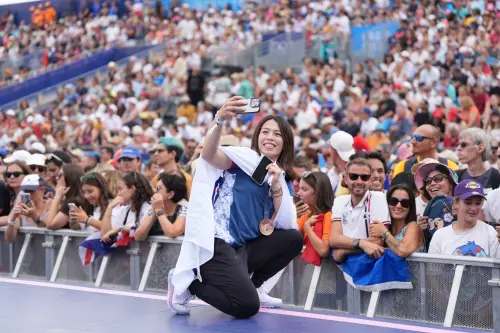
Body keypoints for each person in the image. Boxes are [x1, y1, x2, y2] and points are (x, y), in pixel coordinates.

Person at [169, 96, 302, 318]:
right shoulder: (242, 160)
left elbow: (279, 221)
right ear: (257, 136)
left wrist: (277, 184)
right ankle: (188, 283)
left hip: (245, 247)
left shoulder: (282, 177)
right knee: (246, 306)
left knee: (293, 239)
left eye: (277, 134)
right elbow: (209, 155)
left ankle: (256, 285)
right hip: (217, 245)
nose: (270, 137)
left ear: (286, 142)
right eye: (265, 132)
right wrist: (220, 119)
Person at [330, 158, 391, 262]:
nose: (359, 181)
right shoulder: (339, 201)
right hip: (343, 270)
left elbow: (377, 243)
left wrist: (343, 251)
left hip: (369, 269)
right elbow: (334, 239)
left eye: (364, 177)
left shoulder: (379, 198)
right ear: (345, 178)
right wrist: (362, 244)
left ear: (370, 180)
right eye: (354, 176)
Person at [428, 180, 500, 258]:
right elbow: (433, 269)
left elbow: (496, 267)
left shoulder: (490, 233)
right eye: (468, 203)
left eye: (478, 203)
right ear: (455, 203)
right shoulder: (440, 235)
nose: (473, 208)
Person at [412, 159, 458, 247]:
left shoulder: (465, 204)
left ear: (451, 183)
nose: (432, 183)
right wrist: (419, 232)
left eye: (438, 178)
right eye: (428, 181)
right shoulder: (420, 208)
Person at [369, 184, 424, 257]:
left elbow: (403, 251)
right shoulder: (382, 226)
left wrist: (384, 232)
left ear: (410, 207)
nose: (398, 206)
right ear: (386, 204)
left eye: (405, 203)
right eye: (393, 201)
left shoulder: (413, 226)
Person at [100, 172, 153, 241]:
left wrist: (121, 229)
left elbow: (139, 234)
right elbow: (105, 235)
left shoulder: (149, 208)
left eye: (120, 189)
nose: (118, 193)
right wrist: (109, 207)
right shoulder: (124, 209)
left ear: (133, 189)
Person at [134, 173, 187, 239]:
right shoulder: (154, 208)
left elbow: (172, 232)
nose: (154, 191)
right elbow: (138, 237)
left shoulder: (184, 209)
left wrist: (159, 210)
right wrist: (154, 212)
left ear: (170, 194)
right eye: (155, 187)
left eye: (158, 188)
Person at [392, 125, 458, 178]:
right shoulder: (403, 166)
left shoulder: (451, 167)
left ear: (433, 142)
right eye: (412, 137)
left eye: (418, 138)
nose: (412, 142)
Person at [296, 171, 335, 260]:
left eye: (304, 189)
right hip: (308, 269)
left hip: (327, 270)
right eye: (299, 188)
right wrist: (293, 215)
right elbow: (291, 235)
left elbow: (324, 250)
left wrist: (308, 229)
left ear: (318, 193)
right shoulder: (307, 214)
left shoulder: (329, 215)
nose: (299, 193)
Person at [5, 174, 47, 243]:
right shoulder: (22, 211)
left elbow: (47, 228)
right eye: (25, 191)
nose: (28, 194)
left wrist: (35, 217)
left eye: (31, 191)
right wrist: (12, 219)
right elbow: (10, 239)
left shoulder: (50, 204)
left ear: (42, 190)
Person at [456, 128, 500, 193]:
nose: (458, 148)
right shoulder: (456, 176)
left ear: (480, 148)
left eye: (464, 145)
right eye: (458, 144)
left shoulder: (496, 176)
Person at [44, 164, 88, 230]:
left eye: (60, 175)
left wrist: (57, 196)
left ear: (69, 178)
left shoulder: (74, 200)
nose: (57, 178)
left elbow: (50, 224)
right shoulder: (70, 199)